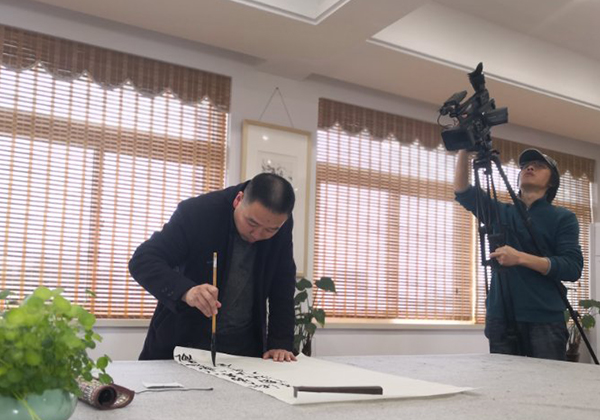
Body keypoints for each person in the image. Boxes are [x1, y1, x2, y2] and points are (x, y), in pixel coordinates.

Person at [129, 172, 297, 362]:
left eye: (270, 230)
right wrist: (187, 291)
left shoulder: (279, 224)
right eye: (251, 223)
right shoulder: (199, 212)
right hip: (183, 342)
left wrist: (280, 342)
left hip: (243, 349)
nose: (257, 234)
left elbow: (282, 281)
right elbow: (143, 259)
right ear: (238, 200)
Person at [454, 148, 583, 360]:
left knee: (547, 379)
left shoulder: (563, 217)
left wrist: (520, 258)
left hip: (544, 318)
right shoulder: (500, 211)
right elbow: (462, 191)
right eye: (525, 166)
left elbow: (572, 267)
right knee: (505, 380)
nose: (529, 168)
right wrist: (463, 150)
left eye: (539, 166)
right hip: (501, 315)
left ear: (552, 182)